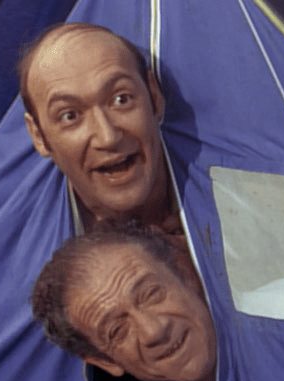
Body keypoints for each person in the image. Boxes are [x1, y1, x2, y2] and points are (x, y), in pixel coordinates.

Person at [31, 224, 228, 381]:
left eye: (151, 294)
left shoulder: (265, 320)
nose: (153, 331)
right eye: (117, 330)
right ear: (104, 360)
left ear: (185, 274)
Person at [18, 22, 180, 234]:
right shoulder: (28, 245)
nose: (108, 137)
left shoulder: (222, 179)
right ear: (38, 136)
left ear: (154, 97)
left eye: (121, 100)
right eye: (70, 116)